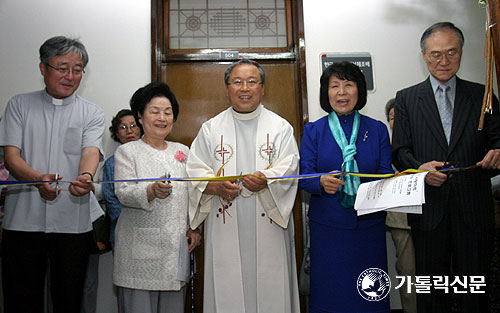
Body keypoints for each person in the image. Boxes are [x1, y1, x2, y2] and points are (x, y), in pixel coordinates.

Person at [392, 22, 500, 313]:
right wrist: (420, 169)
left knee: (474, 287)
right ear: (424, 56)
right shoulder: (407, 99)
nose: (444, 61)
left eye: (451, 53)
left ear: (461, 52)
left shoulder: (483, 95)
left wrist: (497, 154)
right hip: (430, 211)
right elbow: (399, 151)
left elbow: (497, 142)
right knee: (432, 289)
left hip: (474, 208)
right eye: (436, 54)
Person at [0, 36, 105, 313]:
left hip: (72, 221)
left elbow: (91, 151)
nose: (70, 76)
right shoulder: (19, 105)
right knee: (21, 298)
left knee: (69, 299)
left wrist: (85, 176)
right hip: (23, 220)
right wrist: (36, 178)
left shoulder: (91, 112)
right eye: (62, 67)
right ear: (43, 68)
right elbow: (11, 158)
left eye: (78, 69)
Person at [187, 59, 300, 313]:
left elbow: (291, 167)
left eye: (252, 82)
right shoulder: (211, 129)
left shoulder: (280, 127)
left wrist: (267, 180)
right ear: (227, 89)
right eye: (237, 82)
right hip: (225, 223)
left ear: (263, 88)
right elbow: (193, 171)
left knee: (272, 288)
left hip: (269, 225)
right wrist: (214, 187)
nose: (244, 88)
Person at [299, 61, 392, 313]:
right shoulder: (313, 131)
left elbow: (386, 172)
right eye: (335, 86)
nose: (342, 92)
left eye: (348, 85)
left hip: (369, 227)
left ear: (359, 91)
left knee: (370, 292)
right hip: (328, 228)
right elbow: (303, 176)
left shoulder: (377, 129)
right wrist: (320, 181)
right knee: (331, 292)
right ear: (325, 92)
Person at [113, 82, 202, 313]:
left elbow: (192, 194)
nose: (162, 117)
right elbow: (123, 193)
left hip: (175, 250)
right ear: (140, 116)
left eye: (168, 112)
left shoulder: (182, 151)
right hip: (138, 254)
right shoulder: (127, 152)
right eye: (154, 111)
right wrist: (151, 191)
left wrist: (194, 227)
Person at [384, 98, 417, 313]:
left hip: (431, 215)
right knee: (408, 272)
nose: (397, 121)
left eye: (400, 116)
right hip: (401, 219)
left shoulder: (425, 140)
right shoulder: (382, 142)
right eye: (392, 117)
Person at [103, 109, 143, 247]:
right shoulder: (111, 163)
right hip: (122, 227)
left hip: (149, 227)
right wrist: (127, 220)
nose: (129, 131)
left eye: (133, 126)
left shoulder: (150, 157)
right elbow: (109, 196)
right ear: (116, 133)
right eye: (123, 127)